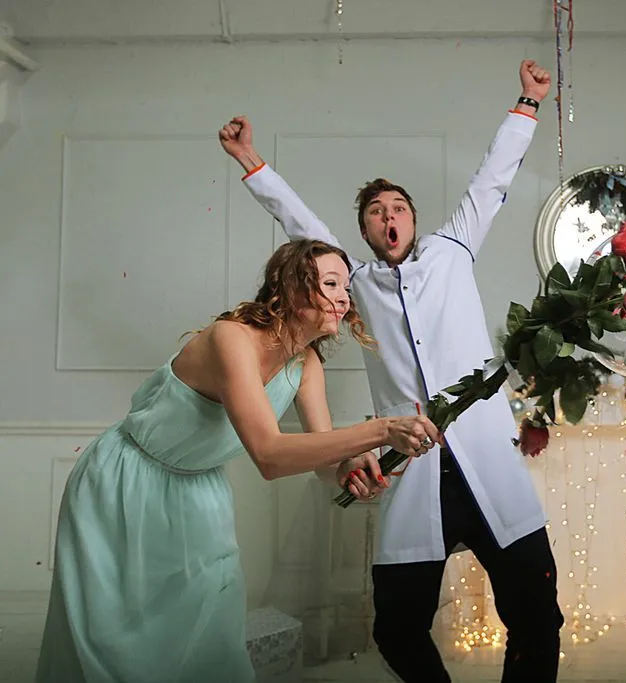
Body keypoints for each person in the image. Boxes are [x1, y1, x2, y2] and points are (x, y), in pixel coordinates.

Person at [217, 60, 563, 683]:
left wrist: (529, 102)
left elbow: (491, 179)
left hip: (487, 460)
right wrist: (250, 160)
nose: (388, 216)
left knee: (537, 614)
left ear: (413, 219)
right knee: (397, 629)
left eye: (397, 207)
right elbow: (299, 223)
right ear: (365, 231)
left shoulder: (454, 250)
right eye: (376, 212)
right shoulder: (354, 280)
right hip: (414, 469)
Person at [35, 239, 441, 683]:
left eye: (346, 287)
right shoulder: (231, 337)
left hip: (199, 491)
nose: (343, 298)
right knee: (113, 645)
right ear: (291, 286)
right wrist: (380, 430)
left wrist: (348, 467)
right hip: (124, 482)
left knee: (209, 641)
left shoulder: (306, 365)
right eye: (330, 284)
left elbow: (322, 460)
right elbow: (268, 455)